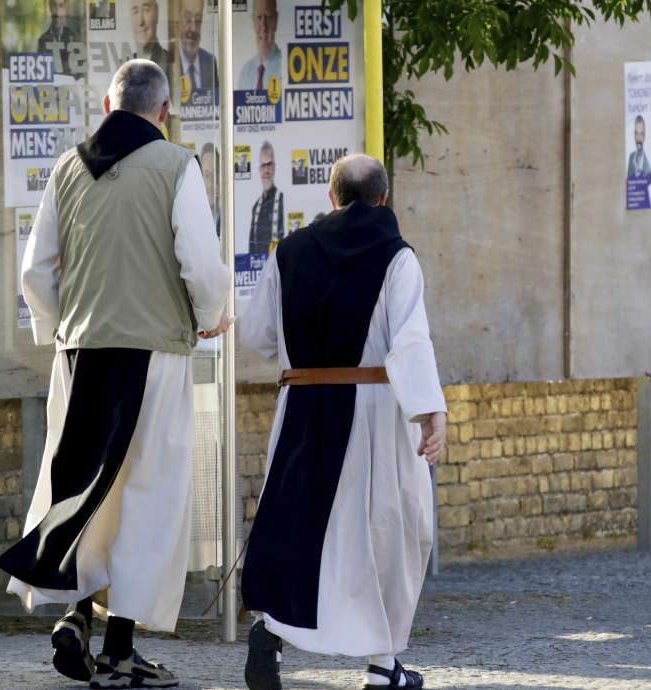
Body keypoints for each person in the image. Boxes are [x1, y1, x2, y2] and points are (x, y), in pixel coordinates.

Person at [0, 59, 231, 687]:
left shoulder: (68, 168)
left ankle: (76, 613)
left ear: (107, 101)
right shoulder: (178, 166)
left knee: (84, 485)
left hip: (79, 354)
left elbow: (35, 271)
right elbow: (202, 269)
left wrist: (60, 329)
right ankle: (119, 651)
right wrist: (212, 317)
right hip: (152, 354)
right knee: (148, 496)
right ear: (165, 110)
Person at [238, 154, 446, 690]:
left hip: (302, 408)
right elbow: (410, 340)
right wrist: (429, 410)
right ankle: (382, 667)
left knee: (297, 528)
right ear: (383, 199)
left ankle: (269, 631)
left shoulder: (291, 251)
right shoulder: (398, 257)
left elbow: (257, 336)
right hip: (375, 411)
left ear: (332, 198)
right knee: (391, 535)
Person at [248, 141, 285, 254]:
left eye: (269, 164)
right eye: (263, 165)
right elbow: (251, 247)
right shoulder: (256, 207)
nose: (266, 170)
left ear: (274, 167)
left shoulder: (283, 199)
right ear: (259, 170)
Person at [177, 0, 218, 100]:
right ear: (177, 20)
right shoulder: (170, 62)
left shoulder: (210, 62)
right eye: (187, 19)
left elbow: (217, 103)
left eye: (198, 20)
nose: (194, 29)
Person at [238, 0, 282, 91]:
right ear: (253, 21)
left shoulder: (284, 66)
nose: (263, 25)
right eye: (259, 17)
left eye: (268, 17)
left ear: (276, 20)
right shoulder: (246, 72)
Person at [38, 0, 85, 78]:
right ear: (50, 8)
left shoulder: (74, 37)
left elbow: (81, 73)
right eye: (54, 6)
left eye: (61, 6)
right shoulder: (43, 40)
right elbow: (42, 73)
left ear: (65, 9)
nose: (57, 12)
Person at [130, 0, 171, 72]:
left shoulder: (175, 65)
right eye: (135, 12)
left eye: (146, 10)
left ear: (157, 14)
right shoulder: (124, 69)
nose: (140, 21)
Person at [200, 142, 220, 236]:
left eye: (215, 174)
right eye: (207, 175)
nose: (210, 184)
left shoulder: (230, 221)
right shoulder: (191, 222)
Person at [627, 115, 651, 180]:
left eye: (641, 134)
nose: (638, 138)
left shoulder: (649, 159)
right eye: (636, 133)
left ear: (644, 135)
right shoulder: (631, 157)